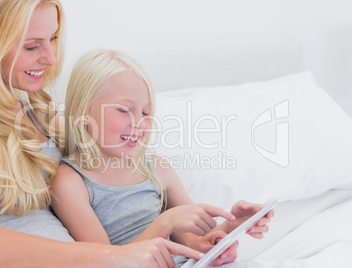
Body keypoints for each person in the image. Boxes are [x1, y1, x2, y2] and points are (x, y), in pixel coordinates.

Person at [0, 1, 204, 267]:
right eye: (31, 45)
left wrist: (210, 233)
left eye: (53, 38)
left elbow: (122, 185)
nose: (50, 58)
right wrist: (114, 255)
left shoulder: (42, 116)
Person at [51, 49, 275, 267]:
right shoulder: (70, 181)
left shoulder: (156, 169)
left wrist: (231, 226)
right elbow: (105, 261)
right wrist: (165, 222)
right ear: (84, 112)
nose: (139, 122)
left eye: (146, 113)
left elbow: (195, 243)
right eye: (124, 110)